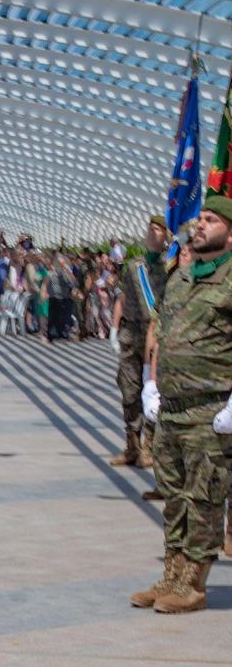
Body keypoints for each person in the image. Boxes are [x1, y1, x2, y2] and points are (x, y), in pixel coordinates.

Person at [131, 195, 232, 616]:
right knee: (173, 495)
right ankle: (173, 574)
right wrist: (151, 383)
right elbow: (163, 332)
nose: (201, 224)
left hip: (210, 411)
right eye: (200, 218)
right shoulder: (181, 277)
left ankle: (194, 583)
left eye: (211, 219)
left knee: (203, 496)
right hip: (171, 407)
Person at [110, 215, 168, 470]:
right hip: (132, 335)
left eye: (159, 229)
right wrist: (115, 327)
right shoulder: (134, 266)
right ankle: (132, 445)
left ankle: (149, 448)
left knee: (153, 392)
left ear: (166, 235)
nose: (153, 233)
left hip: (156, 336)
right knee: (128, 389)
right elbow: (123, 297)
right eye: (151, 229)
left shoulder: (171, 266)